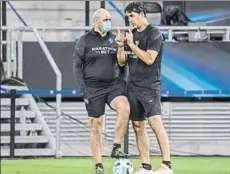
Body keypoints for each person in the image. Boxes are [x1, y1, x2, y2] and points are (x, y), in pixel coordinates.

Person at [115, 2, 173, 174]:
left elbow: (149, 59)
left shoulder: (154, 34)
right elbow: (122, 61)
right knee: (138, 126)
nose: (130, 20)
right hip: (132, 87)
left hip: (150, 87)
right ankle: (146, 166)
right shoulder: (131, 34)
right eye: (128, 17)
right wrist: (120, 46)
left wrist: (132, 45)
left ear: (141, 14)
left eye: (132, 16)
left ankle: (167, 165)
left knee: (156, 124)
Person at [73, 8, 130, 174]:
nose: (108, 22)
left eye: (110, 19)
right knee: (96, 126)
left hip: (114, 86)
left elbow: (122, 63)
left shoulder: (115, 38)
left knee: (125, 107)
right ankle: (98, 165)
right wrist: (84, 90)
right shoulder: (84, 40)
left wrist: (121, 47)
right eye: (105, 20)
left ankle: (116, 147)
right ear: (96, 21)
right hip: (92, 88)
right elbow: (76, 66)